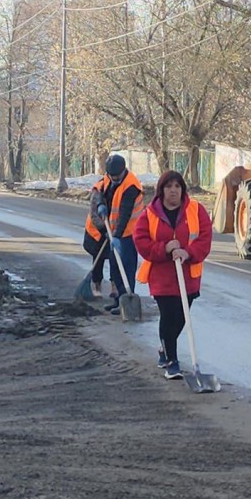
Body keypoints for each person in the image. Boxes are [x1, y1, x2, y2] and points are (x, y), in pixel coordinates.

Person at [133, 170, 213, 380]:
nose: (173, 191)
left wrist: (188, 252)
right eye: (169, 187)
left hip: (188, 277)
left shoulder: (196, 210)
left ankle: (164, 349)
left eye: (177, 186)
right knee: (168, 317)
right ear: (162, 190)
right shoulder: (149, 214)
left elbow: (204, 239)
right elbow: (141, 241)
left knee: (180, 318)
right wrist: (165, 248)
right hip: (162, 277)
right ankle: (172, 361)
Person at [97, 154, 143, 315]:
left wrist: (117, 236)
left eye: (117, 175)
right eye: (112, 176)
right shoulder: (109, 178)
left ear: (123, 171)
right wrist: (101, 204)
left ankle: (126, 299)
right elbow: (101, 192)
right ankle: (118, 300)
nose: (115, 178)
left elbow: (124, 215)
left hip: (129, 234)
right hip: (115, 233)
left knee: (126, 267)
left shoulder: (131, 186)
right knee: (115, 268)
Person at [82, 174, 114, 299]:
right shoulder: (99, 189)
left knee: (115, 257)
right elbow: (94, 215)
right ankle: (97, 286)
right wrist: (104, 229)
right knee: (98, 257)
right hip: (96, 230)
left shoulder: (122, 187)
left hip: (113, 228)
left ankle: (114, 285)